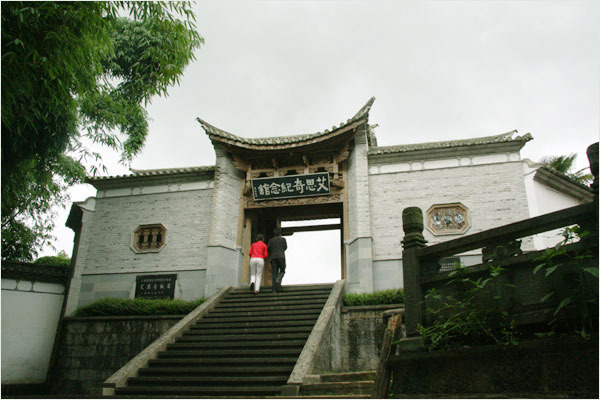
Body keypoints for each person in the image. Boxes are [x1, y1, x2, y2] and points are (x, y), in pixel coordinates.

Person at [268, 227, 287, 293]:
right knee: (282, 270)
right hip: (281, 257)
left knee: (274, 273)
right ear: (280, 233)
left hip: (273, 258)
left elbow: (269, 249)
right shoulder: (283, 239)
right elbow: (285, 247)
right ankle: (278, 281)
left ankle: (274, 289)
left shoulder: (271, 240)